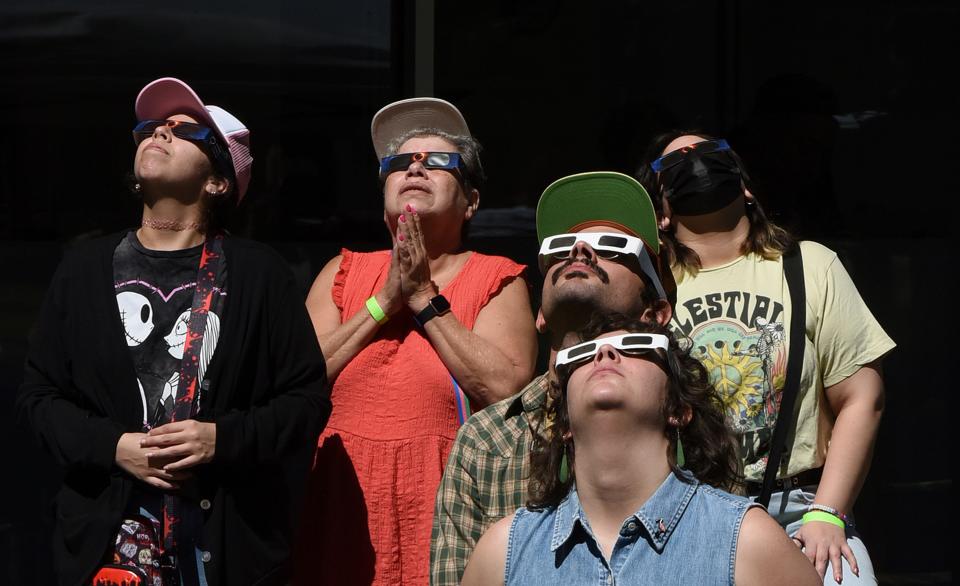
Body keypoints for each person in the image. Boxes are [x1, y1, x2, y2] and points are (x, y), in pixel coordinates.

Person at [15, 77, 331, 585]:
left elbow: (306, 402)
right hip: (104, 551)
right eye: (150, 127)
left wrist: (220, 440)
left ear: (219, 181)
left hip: (222, 549)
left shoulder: (258, 273)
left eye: (184, 130)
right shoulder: (83, 268)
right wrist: (113, 445)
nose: (159, 132)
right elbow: (38, 397)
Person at [636, 132, 895, 585]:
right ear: (661, 210)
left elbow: (862, 397)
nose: (693, 160)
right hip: (687, 517)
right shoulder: (647, 289)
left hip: (802, 514)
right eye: (674, 161)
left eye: (709, 152)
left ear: (746, 186)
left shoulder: (809, 265)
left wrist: (829, 513)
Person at [299, 98, 537, 585]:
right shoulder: (342, 272)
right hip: (341, 503)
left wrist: (425, 296)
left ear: (471, 201)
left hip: (445, 503)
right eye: (400, 161)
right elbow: (296, 374)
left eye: (438, 161)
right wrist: (384, 300)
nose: (415, 166)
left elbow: (506, 391)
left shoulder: (497, 277)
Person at [431, 171, 673, 585]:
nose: (578, 249)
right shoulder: (484, 441)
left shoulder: (689, 423)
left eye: (612, 246)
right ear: (540, 315)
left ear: (655, 314)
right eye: (559, 249)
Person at [462, 314, 821, 585]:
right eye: (583, 355)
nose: (603, 353)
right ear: (565, 424)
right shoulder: (501, 554)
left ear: (679, 410)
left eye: (637, 349)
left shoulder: (746, 540)